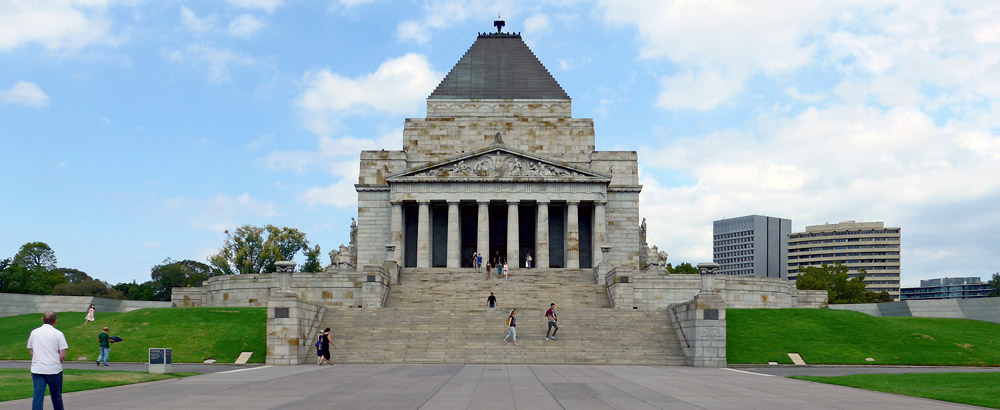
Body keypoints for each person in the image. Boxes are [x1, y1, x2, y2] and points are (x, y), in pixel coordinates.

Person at [27, 311, 68, 410]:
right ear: (55, 321)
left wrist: (38, 359)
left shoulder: (34, 333)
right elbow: (62, 354)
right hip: (54, 369)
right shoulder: (58, 334)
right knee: (56, 396)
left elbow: (31, 350)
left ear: (42, 319)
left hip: (38, 368)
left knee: (38, 395)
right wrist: (57, 362)